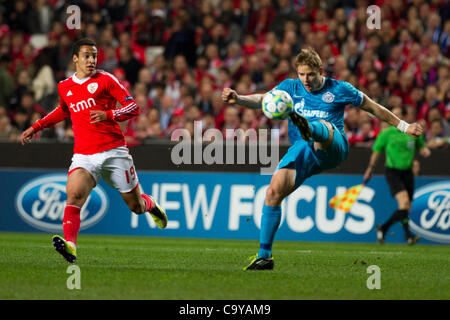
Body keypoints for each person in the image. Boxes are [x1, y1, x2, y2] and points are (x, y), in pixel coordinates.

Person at [221, 48, 424, 270]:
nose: (306, 80)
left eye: (310, 74)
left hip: (333, 146)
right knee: (273, 192)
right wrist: (239, 98)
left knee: (324, 127)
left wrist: (404, 126)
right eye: (301, 74)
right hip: (304, 149)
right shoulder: (290, 87)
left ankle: (308, 126)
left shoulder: (339, 89)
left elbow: (372, 107)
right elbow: (264, 99)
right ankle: (264, 257)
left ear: (320, 70)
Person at [20, 38, 168, 263]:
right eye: (87, 56)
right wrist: (36, 126)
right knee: (74, 194)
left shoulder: (106, 80)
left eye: (94, 56)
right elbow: (63, 111)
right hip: (84, 154)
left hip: (114, 152)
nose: (91, 60)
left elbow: (133, 107)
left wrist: (108, 115)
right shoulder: (65, 86)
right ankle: (71, 247)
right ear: (75, 58)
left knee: (136, 206)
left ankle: (151, 204)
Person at [364, 105, 431, 245]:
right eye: (392, 115)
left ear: (405, 116)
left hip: (408, 173)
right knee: (404, 202)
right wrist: (370, 168)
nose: (394, 118)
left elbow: (421, 147)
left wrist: (425, 151)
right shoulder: (386, 133)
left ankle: (384, 229)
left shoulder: (412, 132)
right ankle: (407, 235)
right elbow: (376, 152)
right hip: (393, 172)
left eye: (398, 114)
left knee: (407, 208)